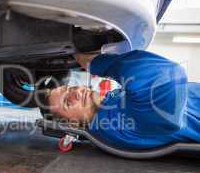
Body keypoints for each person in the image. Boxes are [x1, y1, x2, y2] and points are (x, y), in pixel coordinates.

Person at [38, 50, 200, 150]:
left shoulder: (110, 110)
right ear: (71, 124)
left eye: (71, 88)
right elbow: (166, 76)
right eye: (68, 102)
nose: (77, 93)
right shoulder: (119, 124)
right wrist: (96, 62)